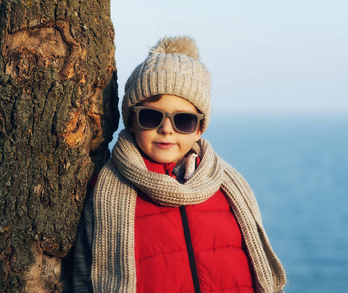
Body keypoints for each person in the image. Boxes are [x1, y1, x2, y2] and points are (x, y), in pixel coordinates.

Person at [73, 36, 286, 293]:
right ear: (131, 121)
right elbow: (85, 277)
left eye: (183, 121)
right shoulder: (107, 190)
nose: (166, 130)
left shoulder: (227, 188)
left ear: (199, 129)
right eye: (151, 116)